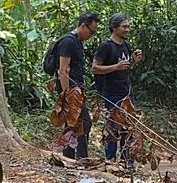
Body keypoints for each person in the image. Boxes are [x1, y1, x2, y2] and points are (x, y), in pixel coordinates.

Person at [92, 13, 144, 166]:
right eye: (124, 27)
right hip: (112, 93)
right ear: (114, 28)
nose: (127, 30)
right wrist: (115, 67)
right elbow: (95, 68)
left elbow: (127, 68)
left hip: (127, 93)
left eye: (128, 26)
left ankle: (127, 161)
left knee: (129, 128)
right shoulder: (106, 46)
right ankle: (110, 160)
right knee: (113, 128)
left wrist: (134, 61)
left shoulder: (126, 45)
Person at [52, 12, 100, 159]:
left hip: (76, 89)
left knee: (73, 122)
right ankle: (81, 157)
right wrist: (67, 95)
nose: (92, 35)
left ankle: (70, 157)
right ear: (83, 26)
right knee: (84, 121)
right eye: (91, 31)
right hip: (70, 91)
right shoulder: (69, 42)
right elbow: (63, 70)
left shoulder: (77, 42)